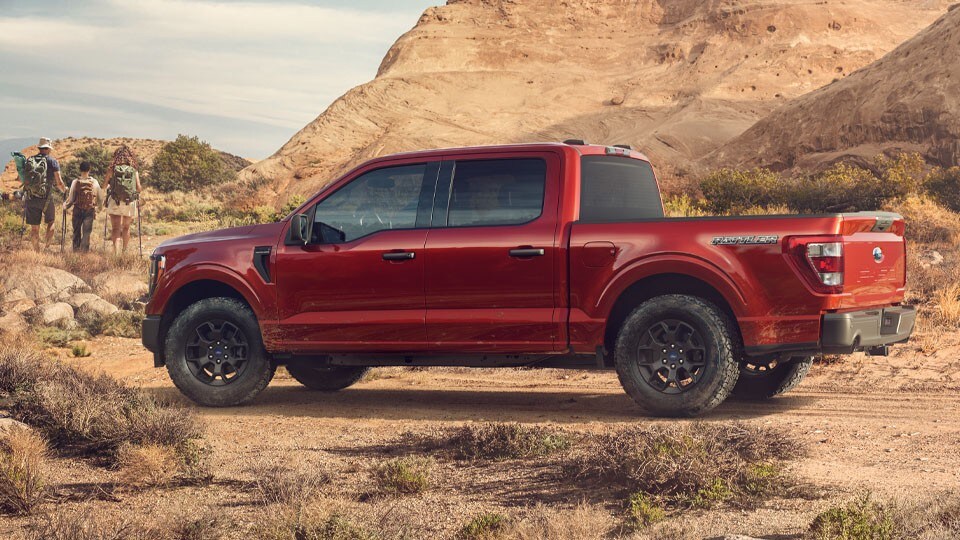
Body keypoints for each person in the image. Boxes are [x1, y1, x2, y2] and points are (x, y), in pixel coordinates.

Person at [23, 138, 67, 251]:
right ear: (48, 149)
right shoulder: (52, 162)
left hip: (31, 197)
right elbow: (59, 182)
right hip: (46, 199)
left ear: (39, 148)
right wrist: (65, 190)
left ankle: (37, 251)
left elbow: (23, 179)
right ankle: (46, 248)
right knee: (51, 222)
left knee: (34, 228)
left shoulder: (30, 160)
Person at [103, 145, 142, 255]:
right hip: (129, 202)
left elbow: (104, 185)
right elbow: (139, 188)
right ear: (130, 156)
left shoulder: (112, 169)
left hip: (115, 200)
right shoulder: (133, 170)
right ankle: (124, 252)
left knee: (115, 228)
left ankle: (116, 254)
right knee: (126, 227)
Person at [63, 161, 102, 252]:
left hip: (77, 210)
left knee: (76, 232)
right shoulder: (94, 182)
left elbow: (71, 199)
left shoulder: (75, 182)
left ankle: (76, 252)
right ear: (89, 169)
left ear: (80, 169)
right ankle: (84, 253)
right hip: (89, 210)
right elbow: (100, 198)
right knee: (86, 233)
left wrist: (66, 206)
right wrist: (98, 208)